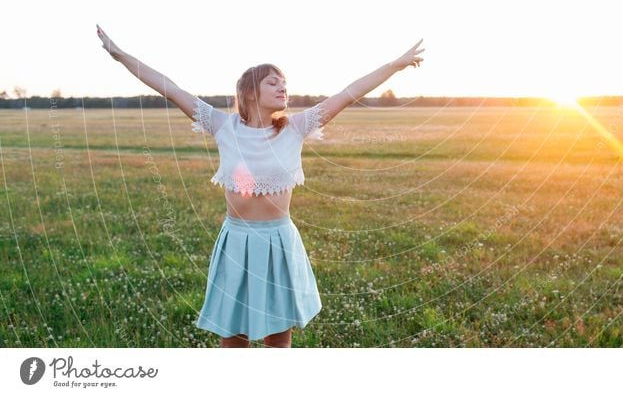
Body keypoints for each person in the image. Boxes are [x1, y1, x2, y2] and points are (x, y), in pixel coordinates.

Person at [95, 23, 424, 347]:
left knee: (278, 341)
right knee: (234, 339)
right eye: (273, 82)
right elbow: (170, 88)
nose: (283, 87)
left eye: (284, 83)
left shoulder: (296, 128)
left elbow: (348, 94)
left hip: (279, 242)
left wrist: (394, 65)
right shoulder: (223, 126)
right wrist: (120, 54)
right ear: (250, 92)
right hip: (236, 241)